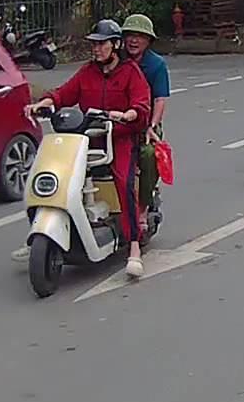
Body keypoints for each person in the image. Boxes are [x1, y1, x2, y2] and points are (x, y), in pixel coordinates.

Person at [12, 19, 152, 277]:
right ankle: (40, 233)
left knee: (124, 182)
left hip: (119, 138)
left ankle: (134, 246)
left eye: (101, 44)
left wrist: (129, 114)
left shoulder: (131, 72)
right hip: (85, 139)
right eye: (94, 44)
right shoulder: (87, 72)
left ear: (115, 45)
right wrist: (43, 103)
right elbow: (63, 94)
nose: (96, 49)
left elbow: (142, 106)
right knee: (53, 176)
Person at [121, 13, 170, 218]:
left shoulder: (156, 65)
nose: (134, 40)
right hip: (116, 122)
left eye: (140, 36)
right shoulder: (116, 60)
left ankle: (143, 204)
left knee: (149, 154)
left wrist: (152, 126)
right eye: (130, 35)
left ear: (149, 40)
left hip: (144, 124)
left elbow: (160, 99)